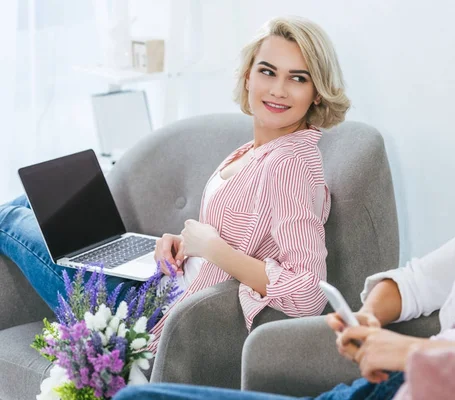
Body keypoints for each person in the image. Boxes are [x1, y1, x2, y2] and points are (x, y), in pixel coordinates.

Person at [115, 49, 455, 400]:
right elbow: (414, 281)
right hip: (394, 384)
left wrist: (408, 354)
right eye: (266, 72)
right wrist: (370, 319)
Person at [0, 15, 351, 354]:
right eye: (267, 71)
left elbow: (307, 293)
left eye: (298, 78)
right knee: (27, 202)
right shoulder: (258, 150)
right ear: (247, 77)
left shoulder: (289, 164)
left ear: (317, 94)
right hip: (158, 279)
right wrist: (184, 245)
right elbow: (248, 234)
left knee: (8, 219)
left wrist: (214, 250)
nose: (278, 89)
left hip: (143, 310)